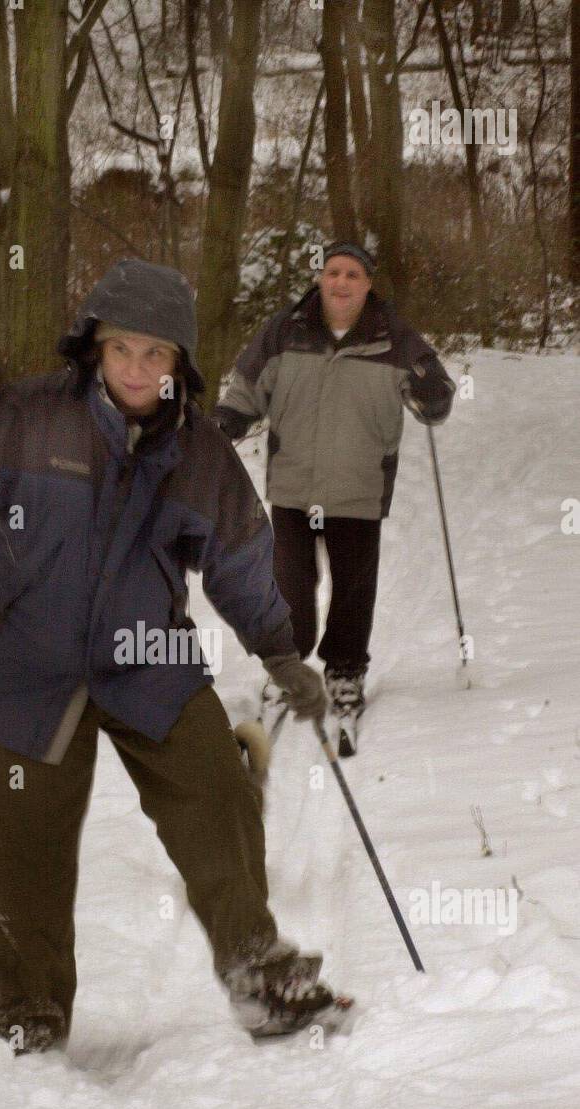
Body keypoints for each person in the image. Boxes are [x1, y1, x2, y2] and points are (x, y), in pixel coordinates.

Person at [0, 258, 338, 1054]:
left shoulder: (199, 453)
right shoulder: (29, 418)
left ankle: (259, 972)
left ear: (178, 365)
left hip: (147, 657)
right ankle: (29, 1012)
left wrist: (281, 654)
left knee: (215, 789)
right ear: (95, 351)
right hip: (25, 665)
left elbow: (240, 559)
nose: (137, 370)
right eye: (123, 351)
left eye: (157, 355)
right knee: (13, 839)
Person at [214, 241, 455, 750]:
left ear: (368, 283)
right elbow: (248, 384)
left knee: (352, 587)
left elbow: (432, 384)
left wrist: (434, 396)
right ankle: (288, 666)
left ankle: (345, 672)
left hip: (360, 486)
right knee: (289, 585)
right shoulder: (285, 330)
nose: (340, 283)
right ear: (320, 279)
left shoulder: (395, 337)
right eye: (332, 273)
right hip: (294, 485)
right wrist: (230, 419)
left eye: (352, 274)